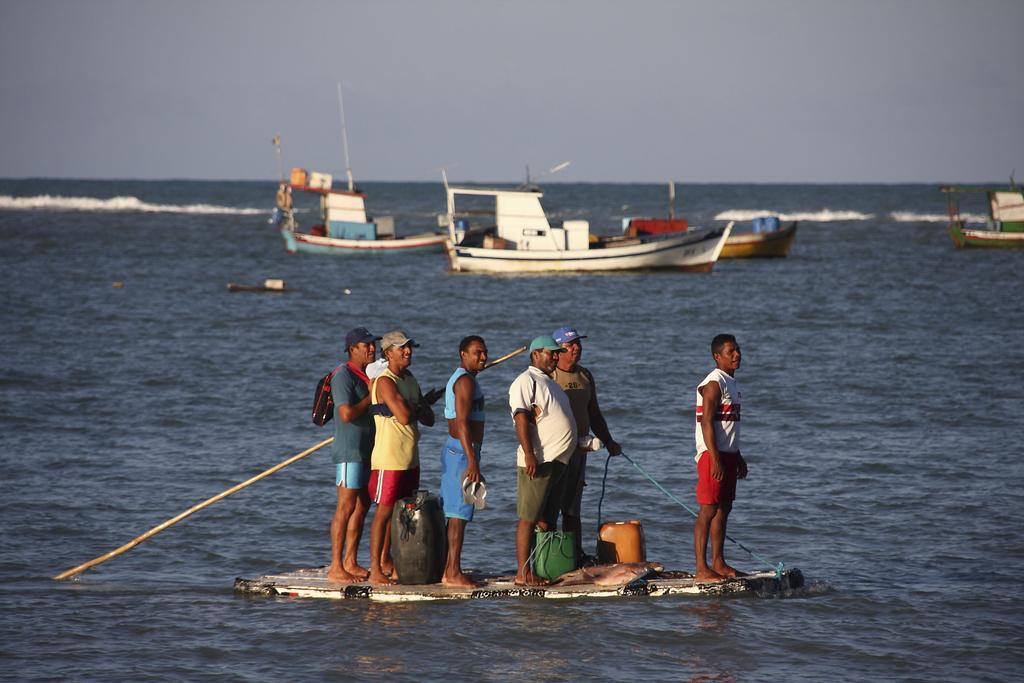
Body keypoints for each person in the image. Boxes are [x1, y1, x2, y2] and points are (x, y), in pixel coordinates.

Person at [366, 330, 441, 585]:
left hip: (411, 458)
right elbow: (407, 416)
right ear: (388, 353)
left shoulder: (409, 379)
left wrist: (417, 405)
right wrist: (418, 405)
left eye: (409, 347)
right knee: (383, 514)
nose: (408, 351)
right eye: (402, 348)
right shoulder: (385, 381)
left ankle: (393, 564)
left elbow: (429, 419)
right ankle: (376, 568)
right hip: (389, 459)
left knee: (402, 515)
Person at [508, 335, 577, 586]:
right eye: (552, 353)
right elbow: (521, 418)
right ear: (536, 354)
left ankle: (543, 568)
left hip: (559, 461)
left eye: (558, 353)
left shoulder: (552, 384)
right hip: (539, 460)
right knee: (529, 517)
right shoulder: (525, 381)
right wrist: (529, 454)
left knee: (548, 518)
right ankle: (522, 574)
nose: (556, 357)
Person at [550, 326, 622, 562]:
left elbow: (594, 413)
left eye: (578, 344)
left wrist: (609, 441)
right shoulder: (548, 376)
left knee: (572, 508)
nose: (577, 348)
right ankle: (547, 555)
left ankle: (574, 554)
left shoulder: (585, 376)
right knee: (549, 508)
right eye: (571, 345)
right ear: (557, 350)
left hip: (580, 451)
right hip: (554, 453)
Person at [326, 327, 381, 583]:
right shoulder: (342, 375)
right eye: (366, 345)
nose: (372, 348)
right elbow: (346, 414)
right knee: (345, 507)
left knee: (362, 505)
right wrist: (370, 397)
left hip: (368, 450)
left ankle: (351, 560)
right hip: (349, 451)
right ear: (352, 349)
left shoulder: (367, 374)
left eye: (373, 344)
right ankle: (336, 565)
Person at [693, 334, 749, 581]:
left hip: (727, 455)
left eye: (737, 350)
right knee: (708, 509)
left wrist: (737, 456)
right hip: (710, 454)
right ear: (718, 357)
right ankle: (701, 568)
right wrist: (715, 458)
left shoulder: (732, 383)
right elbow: (706, 423)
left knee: (724, 508)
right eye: (730, 351)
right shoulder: (714, 383)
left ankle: (719, 562)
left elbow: (728, 425)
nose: (736, 355)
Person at [439, 335, 489, 588]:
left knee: (458, 512)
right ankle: (453, 573)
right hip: (461, 453)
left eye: (485, 353)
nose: (483, 357)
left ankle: (450, 568)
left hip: (461, 452)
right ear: (463, 354)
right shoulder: (464, 382)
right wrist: (473, 462)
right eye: (477, 353)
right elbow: (461, 423)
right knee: (458, 513)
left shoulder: (468, 380)